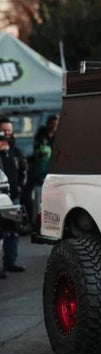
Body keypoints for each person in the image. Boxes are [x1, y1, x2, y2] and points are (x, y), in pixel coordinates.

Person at [0, 117, 28, 274]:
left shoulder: (16, 151)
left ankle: (10, 261)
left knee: (12, 230)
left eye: (9, 131)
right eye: (3, 130)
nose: (6, 134)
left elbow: (24, 169)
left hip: (13, 196)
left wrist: (20, 186)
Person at [23, 114, 58, 224]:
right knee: (35, 196)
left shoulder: (58, 137)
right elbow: (37, 152)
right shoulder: (41, 136)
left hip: (51, 171)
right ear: (47, 124)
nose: (53, 127)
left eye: (55, 125)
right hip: (40, 170)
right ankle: (35, 220)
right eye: (51, 124)